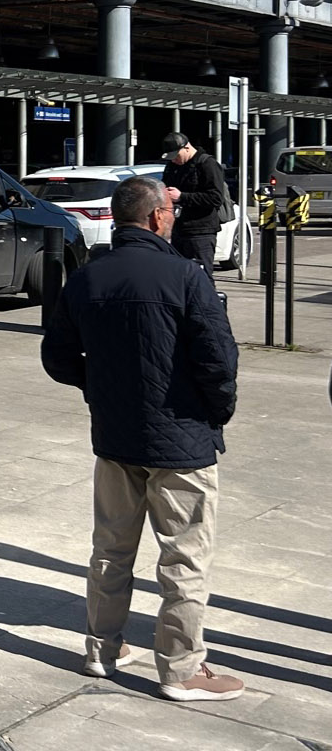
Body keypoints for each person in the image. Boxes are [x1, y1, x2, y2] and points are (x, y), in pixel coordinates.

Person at [41, 174, 242, 703]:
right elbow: (219, 361)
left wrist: (100, 386)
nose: (173, 218)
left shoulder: (87, 278)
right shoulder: (184, 275)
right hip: (181, 442)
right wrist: (215, 414)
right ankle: (181, 668)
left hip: (115, 438)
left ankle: (101, 649)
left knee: (109, 549)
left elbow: (57, 358)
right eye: (170, 211)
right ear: (156, 217)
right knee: (184, 558)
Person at [160, 131, 229, 271]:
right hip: (178, 230)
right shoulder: (172, 167)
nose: (174, 160)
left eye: (176, 156)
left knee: (200, 275)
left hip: (200, 232)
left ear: (186, 147)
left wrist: (182, 197)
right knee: (177, 275)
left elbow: (215, 198)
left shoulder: (207, 164)